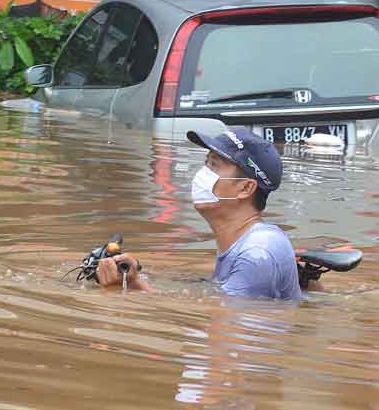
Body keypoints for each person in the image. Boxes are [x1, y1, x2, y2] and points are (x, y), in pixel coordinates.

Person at [96, 127, 302, 301]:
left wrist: (132, 285)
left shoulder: (257, 253)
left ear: (245, 188)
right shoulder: (243, 243)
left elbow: (221, 322)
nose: (203, 174)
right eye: (206, 163)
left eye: (214, 165)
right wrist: (130, 275)